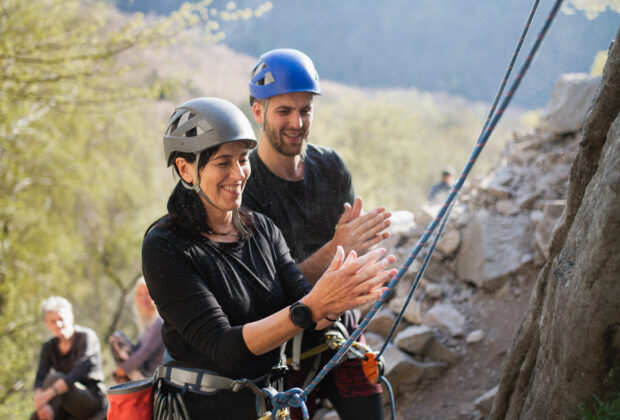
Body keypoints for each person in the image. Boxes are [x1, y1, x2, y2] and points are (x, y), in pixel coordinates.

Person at [141, 97, 397, 418]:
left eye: (243, 159)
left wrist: (337, 300)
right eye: (223, 162)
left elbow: (306, 308)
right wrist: (313, 306)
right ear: (185, 169)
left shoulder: (260, 228)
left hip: (268, 405)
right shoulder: (167, 246)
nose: (238, 173)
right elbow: (224, 347)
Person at [243, 48, 392, 420]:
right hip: (279, 349)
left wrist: (359, 262)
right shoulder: (245, 188)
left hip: (339, 336)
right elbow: (263, 292)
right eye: (284, 111)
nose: (297, 122)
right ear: (258, 111)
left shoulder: (330, 167)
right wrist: (334, 251)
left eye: (305, 110)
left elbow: (349, 253)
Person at [32, 296, 107, 420]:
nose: (58, 324)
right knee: (40, 412)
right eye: (53, 321)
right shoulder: (48, 347)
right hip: (64, 403)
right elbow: (40, 377)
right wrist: (41, 405)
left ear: (71, 317)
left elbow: (77, 374)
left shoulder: (86, 337)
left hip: (91, 399)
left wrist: (45, 397)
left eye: (61, 319)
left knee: (54, 378)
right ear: (47, 325)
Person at [109, 277, 164, 382]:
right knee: (116, 338)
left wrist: (121, 371)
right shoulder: (147, 323)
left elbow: (144, 352)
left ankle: (129, 379)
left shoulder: (159, 321)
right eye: (140, 294)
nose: (143, 298)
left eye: (147, 294)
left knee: (116, 339)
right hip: (143, 371)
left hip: (153, 376)